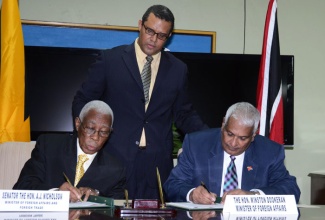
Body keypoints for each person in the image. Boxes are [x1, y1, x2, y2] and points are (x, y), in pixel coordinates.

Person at [72, 5, 207, 199]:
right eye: (150, 31)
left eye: (161, 35)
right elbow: (83, 100)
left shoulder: (178, 69)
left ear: (168, 36)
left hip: (156, 165)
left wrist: (213, 137)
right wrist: (84, 134)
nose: (153, 39)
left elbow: (184, 114)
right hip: (113, 158)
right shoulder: (110, 60)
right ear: (140, 25)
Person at [163, 102, 300, 204]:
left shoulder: (270, 152)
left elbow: (291, 189)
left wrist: (253, 196)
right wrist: (192, 194)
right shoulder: (196, 144)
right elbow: (173, 184)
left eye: (242, 138)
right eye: (229, 134)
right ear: (223, 124)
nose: (233, 143)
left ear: (253, 136)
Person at [13, 100, 126, 202]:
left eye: (104, 132)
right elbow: (22, 187)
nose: (96, 137)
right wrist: (56, 193)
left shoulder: (116, 168)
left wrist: (96, 196)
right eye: (90, 129)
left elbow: (118, 205)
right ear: (78, 124)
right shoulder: (49, 146)